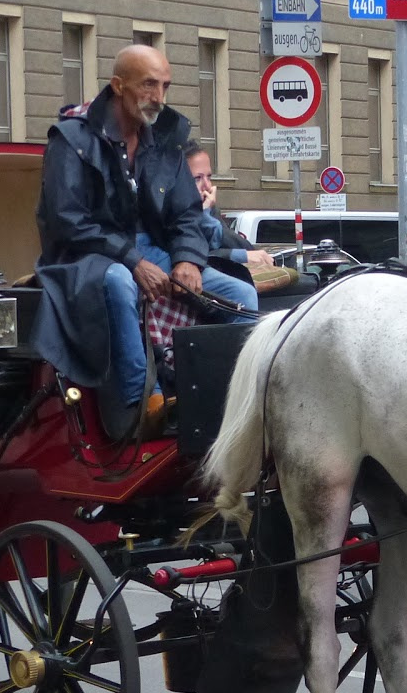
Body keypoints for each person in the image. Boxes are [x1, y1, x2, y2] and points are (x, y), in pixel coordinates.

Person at [33, 44, 258, 439]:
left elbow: (187, 214)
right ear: (118, 85)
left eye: (165, 86)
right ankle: (146, 401)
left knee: (243, 295)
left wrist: (187, 259)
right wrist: (133, 260)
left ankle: (226, 401)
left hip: (154, 253)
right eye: (149, 85)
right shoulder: (71, 139)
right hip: (83, 260)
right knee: (120, 281)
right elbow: (67, 221)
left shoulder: (167, 139)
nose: (159, 97)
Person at [183, 141, 274, 270]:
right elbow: (197, 255)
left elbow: (242, 246)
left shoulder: (209, 208)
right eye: (197, 178)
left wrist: (207, 213)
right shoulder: (174, 212)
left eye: (209, 177)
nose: (207, 186)